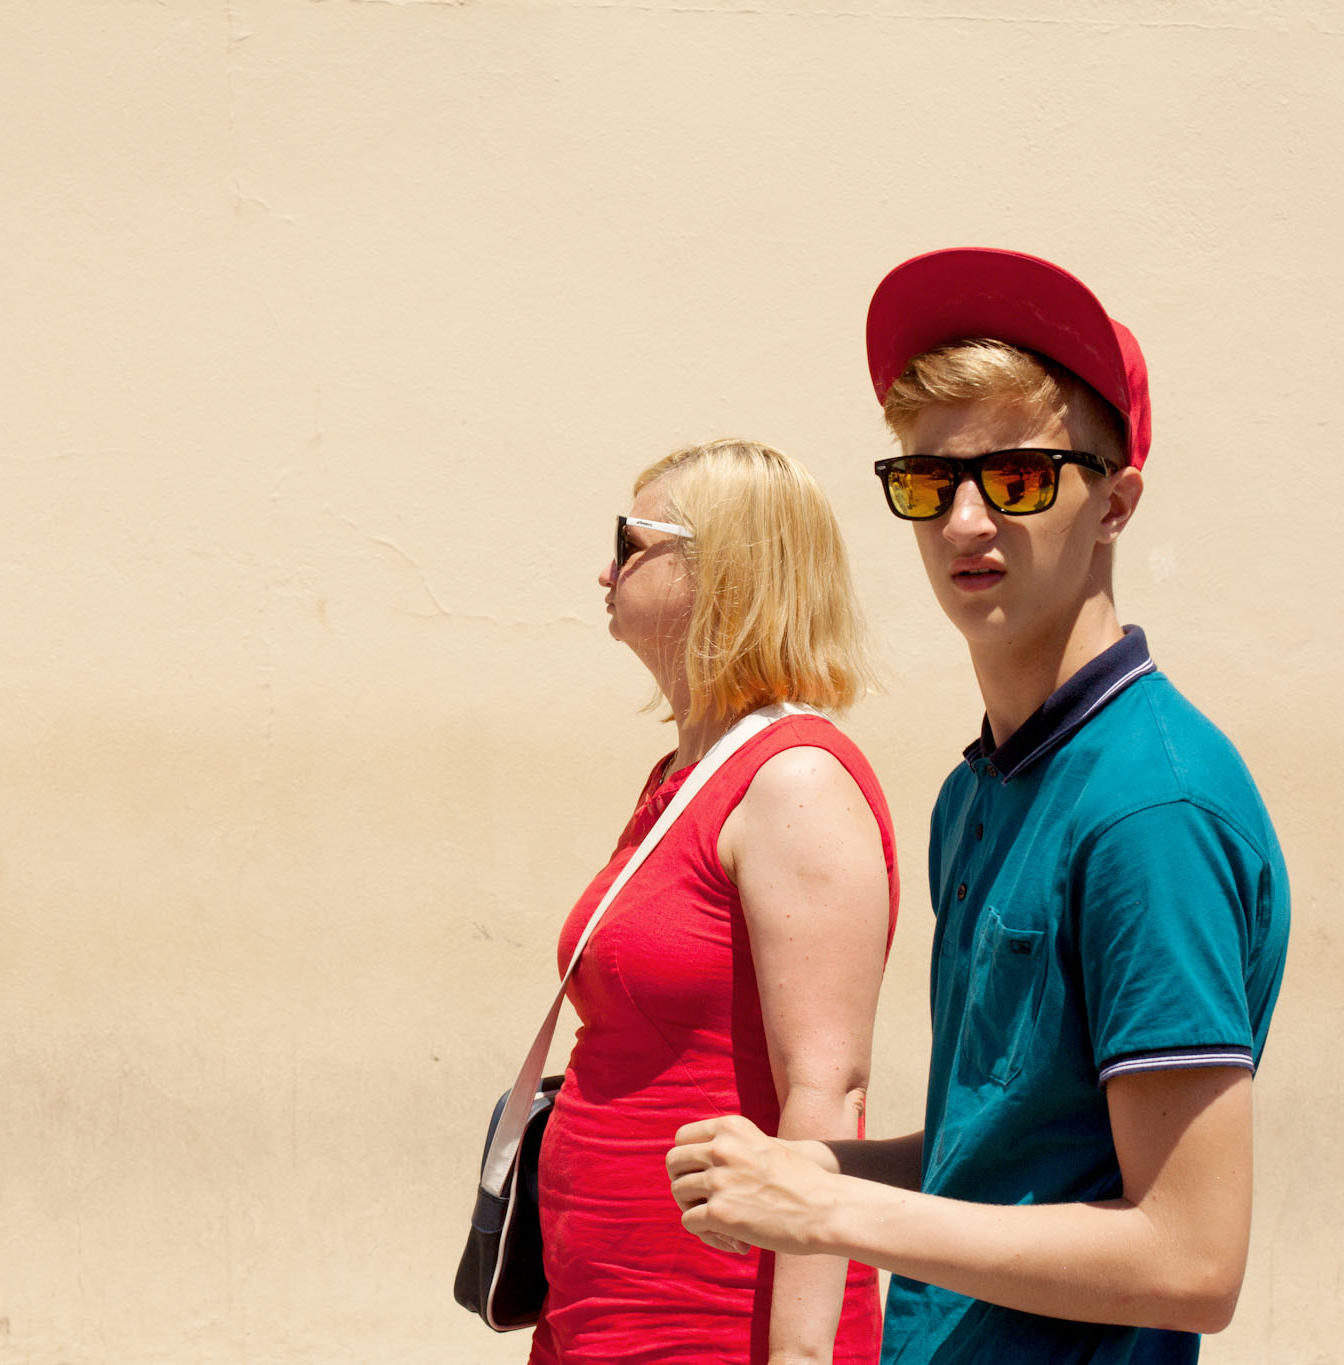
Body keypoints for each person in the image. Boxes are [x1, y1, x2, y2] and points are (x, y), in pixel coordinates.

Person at [666, 249, 1291, 1364]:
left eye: (1017, 476)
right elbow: (1002, 1158)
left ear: (1115, 503)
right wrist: (804, 1168)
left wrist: (831, 1209)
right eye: (927, 480)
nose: (963, 520)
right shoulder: (977, 790)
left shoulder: (1152, 809)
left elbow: (1190, 1259)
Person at [531, 438, 900, 1365]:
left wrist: (800, 1355)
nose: (606, 569)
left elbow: (827, 1087)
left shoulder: (795, 780)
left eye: (630, 541)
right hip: (603, 1311)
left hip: (714, 1318)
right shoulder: (683, 773)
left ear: (721, 568)